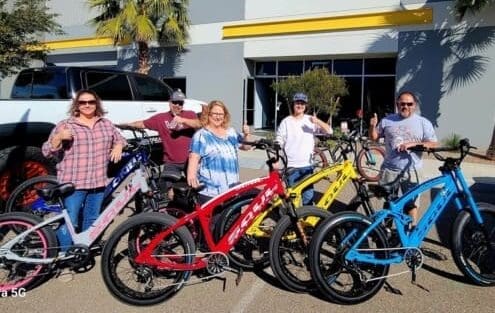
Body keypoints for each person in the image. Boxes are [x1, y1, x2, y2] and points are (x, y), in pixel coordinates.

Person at [42, 89, 126, 251]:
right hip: (74, 183)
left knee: (92, 218)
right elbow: (46, 151)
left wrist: (119, 145)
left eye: (91, 102)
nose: (87, 105)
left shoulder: (105, 124)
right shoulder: (66, 125)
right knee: (70, 221)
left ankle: (82, 250)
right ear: (77, 105)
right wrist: (58, 137)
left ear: (96, 104)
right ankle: (62, 255)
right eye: (83, 102)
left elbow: (120, 138)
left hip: (98, 182)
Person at [369, 90, 438, 226]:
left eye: (409, 104)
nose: (405, 106)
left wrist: (413, 144)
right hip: (390, 169)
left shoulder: (423, 123)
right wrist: (372, 126)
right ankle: (386, 232)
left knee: (411, 204)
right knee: (389, 203)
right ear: (397, 104)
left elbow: (433, 144)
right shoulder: (387, 121)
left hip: (412, 171)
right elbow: (374, 138)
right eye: (402, 104)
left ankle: (411, 232)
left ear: (414, 105)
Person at [123, 89, 201, 200]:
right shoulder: (160, 118)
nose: (177, 105)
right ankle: (174, 213)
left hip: (190, 160)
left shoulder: (190, 114)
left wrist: (182, 120)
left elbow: (199, 124)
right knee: (171, 192)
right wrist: (125, 125)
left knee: (194, 188)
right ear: (169, 103)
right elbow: (142, 124)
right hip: (171, 162)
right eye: (175, 102)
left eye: (180, 103)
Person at [187, 100, 251, 204]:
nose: (218, 117)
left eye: (221, 114)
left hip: (232, 190)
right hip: (210, 192)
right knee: (216, 220)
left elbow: (246, 147)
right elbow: (194, 157)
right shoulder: (201, 135)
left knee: (234, 219)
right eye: (215, 114)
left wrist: (247, 134)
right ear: (208, 115)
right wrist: (191, 176)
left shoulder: (231, 132)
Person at [276, 92, 332, 205]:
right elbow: (279, 140)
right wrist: (276, 157)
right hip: (291, 167)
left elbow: (329, 131)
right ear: (293, 104)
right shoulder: (286, 122)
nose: (300, 105)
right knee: (291, 200)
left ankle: (307, 220)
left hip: (307, 167)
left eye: (302, 103)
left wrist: (318, 121)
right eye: (297, 103)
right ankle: (291, 221)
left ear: (305, 106)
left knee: (308, 198)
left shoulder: (310, 120)